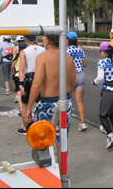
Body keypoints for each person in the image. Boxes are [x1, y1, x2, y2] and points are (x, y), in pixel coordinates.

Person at [25, 34, 76, 166]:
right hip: (65, 102)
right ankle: (62, 173)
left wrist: (29, 107)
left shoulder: (42, 58)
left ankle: (47, 171)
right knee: (62, 140)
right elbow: (72, 84)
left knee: (42, 139)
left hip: (48, 103)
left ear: (47, 41)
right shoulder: (69, 58)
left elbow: (36, 84)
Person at [92, 41, 113, 149]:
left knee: (103, 115)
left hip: (109, 92)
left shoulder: (102, 63)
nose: (100, 53)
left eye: (100, 51)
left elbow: (100, 78)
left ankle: (110, 136)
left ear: (103, 51)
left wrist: (94, 82)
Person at [18, 35, 45, 135]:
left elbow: (21, 69)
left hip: (29, 80)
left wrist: (21, 85)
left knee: (25, 104)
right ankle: (42, 125)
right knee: (41, 103)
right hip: (41, 79)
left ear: (25, 40)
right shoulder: (43, 50)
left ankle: (25, 127)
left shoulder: (24, 52)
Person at [66, 31, 88, 131]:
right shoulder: (80, 50)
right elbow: (85, 64)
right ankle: (83, 122)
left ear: (67, 40)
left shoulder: (66, 50)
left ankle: (64, 122)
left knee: (66, 100)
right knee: (79, 101)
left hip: (71, 75)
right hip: (81, 75)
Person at [12, 41, 27, 116]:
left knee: (18, 92)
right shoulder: (26, 55)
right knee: (25, 92)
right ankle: (25, 107)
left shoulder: (17, 55)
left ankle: (21, 108)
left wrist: (12, 70)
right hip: (25, 76)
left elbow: (12, 65)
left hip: (17, 75)